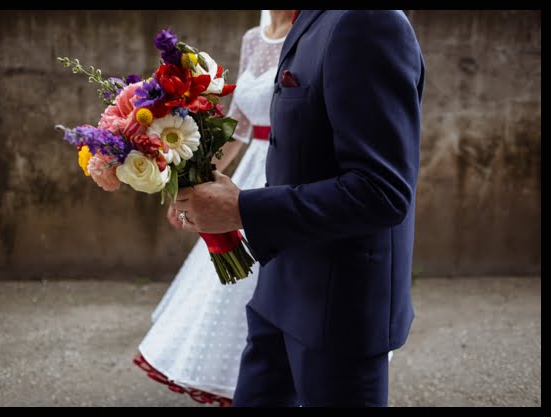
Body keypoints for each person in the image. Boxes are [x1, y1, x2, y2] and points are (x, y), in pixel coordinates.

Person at [171, 10, 424, 407]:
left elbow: (382, 192)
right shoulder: (308, 20)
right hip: (278, 286)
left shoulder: (369, 21)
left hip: (339, 305)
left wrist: (242, 209)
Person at [133, 10, 294, 406]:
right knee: (235, 280)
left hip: (287, 170)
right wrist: (193, 187)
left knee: (275, 279)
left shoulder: (306, 34)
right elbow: (238, 126)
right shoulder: (252, 39)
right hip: (251, 167)